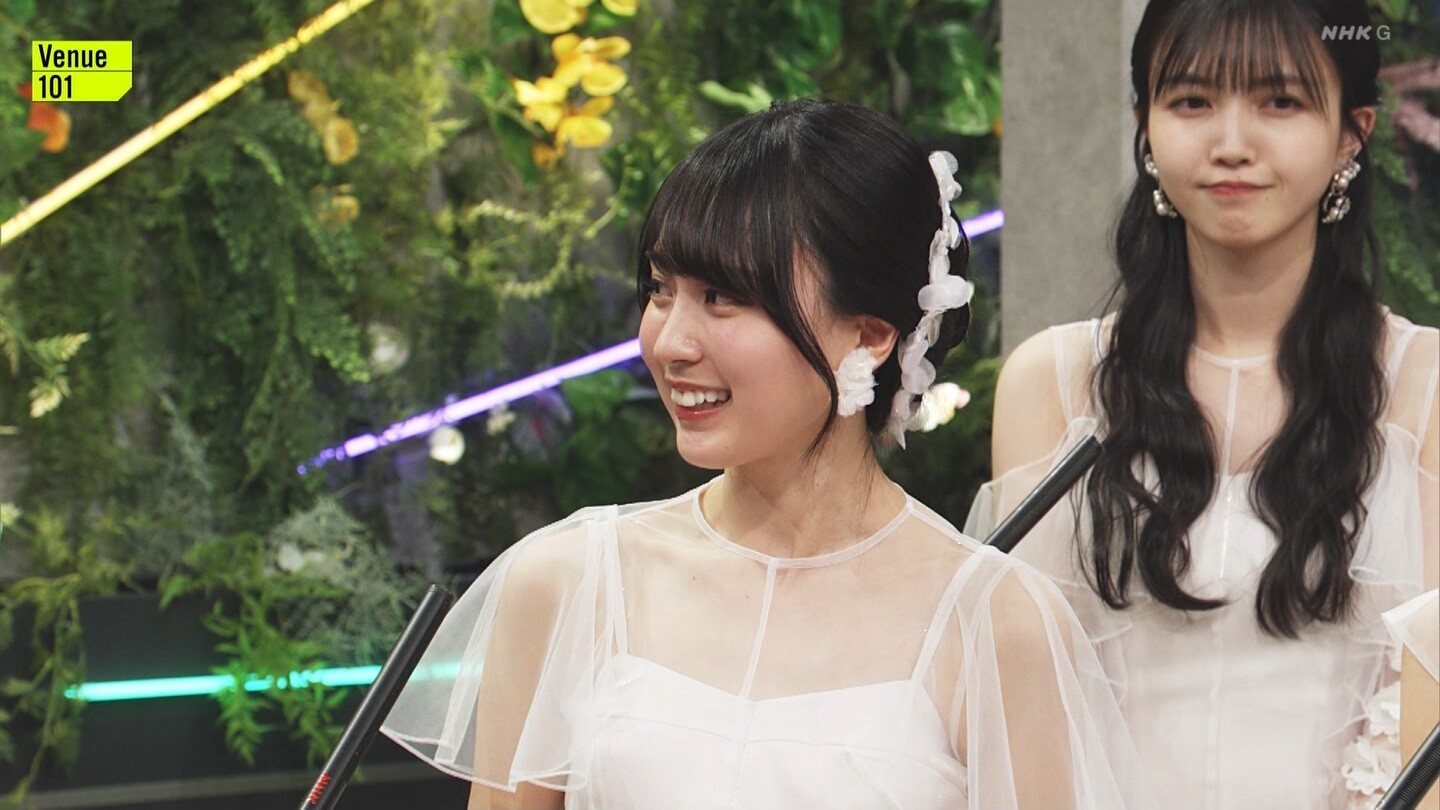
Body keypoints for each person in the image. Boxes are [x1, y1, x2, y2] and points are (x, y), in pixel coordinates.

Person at [381, 99, 1151, 809]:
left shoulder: (997, 622)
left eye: (723, 298)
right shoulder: (568, 582)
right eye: (660, 288)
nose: (670, 342)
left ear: (869, 335)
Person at [971, 1, 1439, 809]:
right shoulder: (1053, 382)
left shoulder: (1425, 385)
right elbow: (1026, 701)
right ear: (1145, 125)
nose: (1231, 142)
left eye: (1279, 101)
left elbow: (1429, 715)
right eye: (1191, 101)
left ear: (1351, 134)